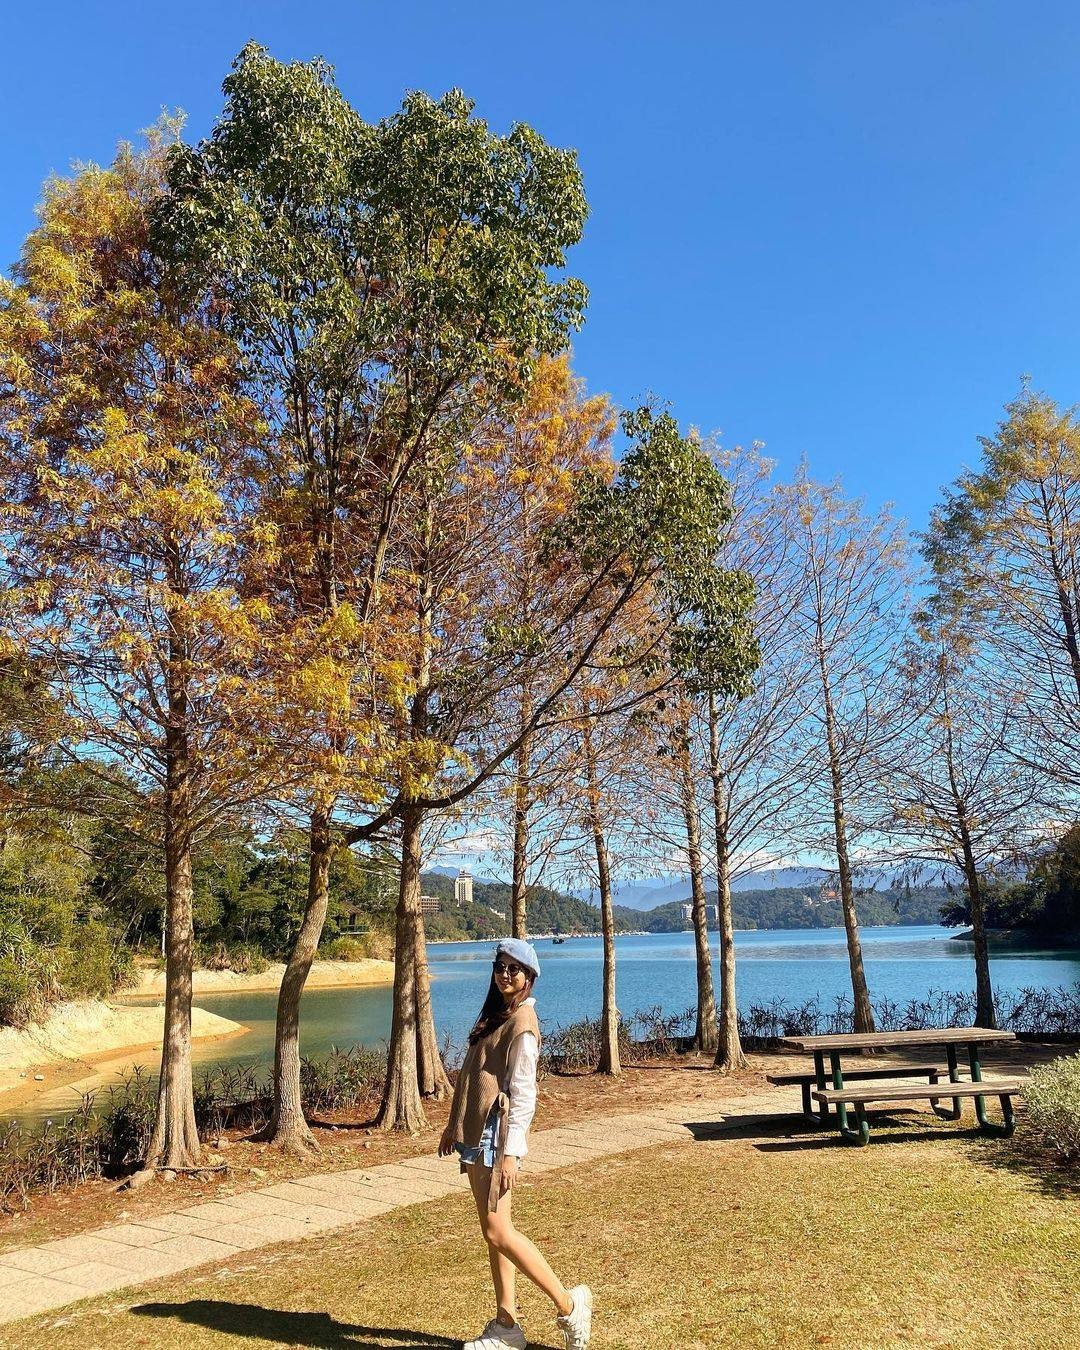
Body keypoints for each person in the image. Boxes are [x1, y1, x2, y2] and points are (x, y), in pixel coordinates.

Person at [439, 937, 593, 1350]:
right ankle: (506, 1325)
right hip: (477, 1134)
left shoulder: (523, 1021)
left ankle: (569, 1305)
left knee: (498, 1231)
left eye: (514, 969)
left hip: (497, 1136)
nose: (505, 974)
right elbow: (474, 1074)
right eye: (500, 967)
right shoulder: (496, 1014)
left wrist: (511, 1154)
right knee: (494, 1234)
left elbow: (524, 1094)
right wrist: (454, 1125)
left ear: (529, 977)